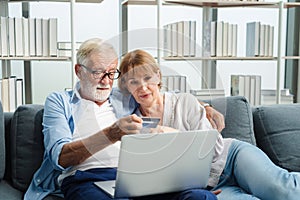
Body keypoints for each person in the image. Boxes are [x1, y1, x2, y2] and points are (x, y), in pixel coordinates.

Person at [24, 38, 224, 200]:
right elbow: (60, 157)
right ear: (79, 71)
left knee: (200, 197)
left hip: (139, 179)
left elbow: (156, 90)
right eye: (97, 73)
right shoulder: (60, 101)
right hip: (86, 179)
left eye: (111, 73)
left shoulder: (122, 97)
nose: (106, 81)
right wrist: (112, 134)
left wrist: (205, 106)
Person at [118, 49, 300, 200]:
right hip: (206, 184)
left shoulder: (185, 102)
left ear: (158, 76)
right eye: (134, 81)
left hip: (232, 158)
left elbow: (213, 147)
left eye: (147, 78)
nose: (142, 87)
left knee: (282, 190)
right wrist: (197, 190)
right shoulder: (134, 125)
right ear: (126, 86)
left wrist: (167, 132)